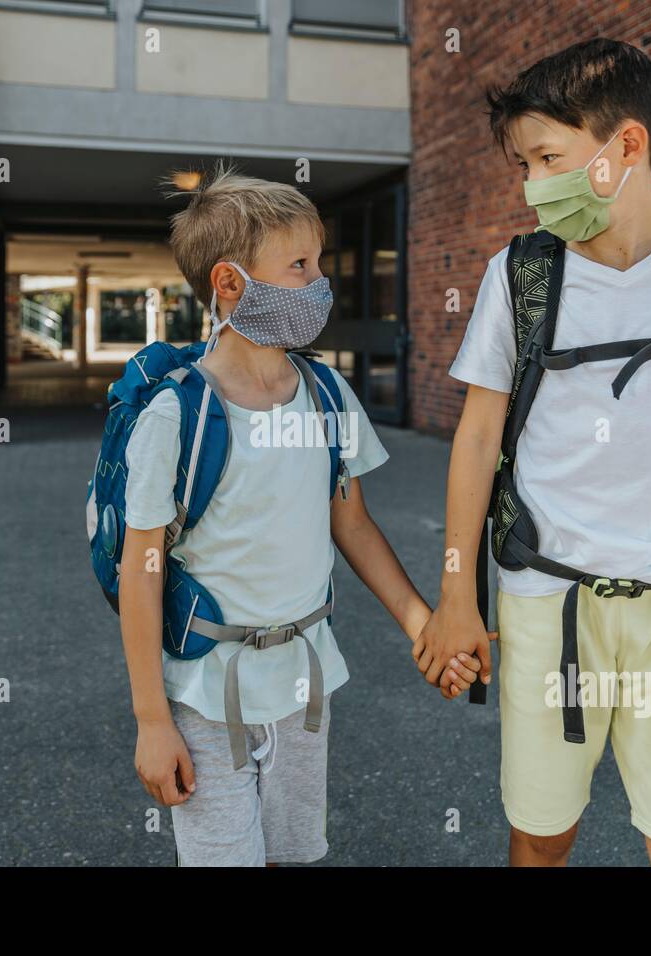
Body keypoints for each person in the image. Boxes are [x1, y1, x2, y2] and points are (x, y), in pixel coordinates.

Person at [415, 38, 651, 866]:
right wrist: (458, 597)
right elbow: (477, 439)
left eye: (548, 158)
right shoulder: (521, 277)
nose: (531, 186)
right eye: (523, 165)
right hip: (545, 604)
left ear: (626, 146)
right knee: (541, 839)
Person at [119, 166, 458, 866]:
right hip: (207, 688)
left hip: (304, 682)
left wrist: (423, 625)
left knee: (292, 855)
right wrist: (153, 720)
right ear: (231, 283)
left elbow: (352, 522)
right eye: (299, 266)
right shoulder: (176, 414)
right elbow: (140, 568)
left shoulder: (327, 392)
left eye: (319, 263)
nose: (320, 283)